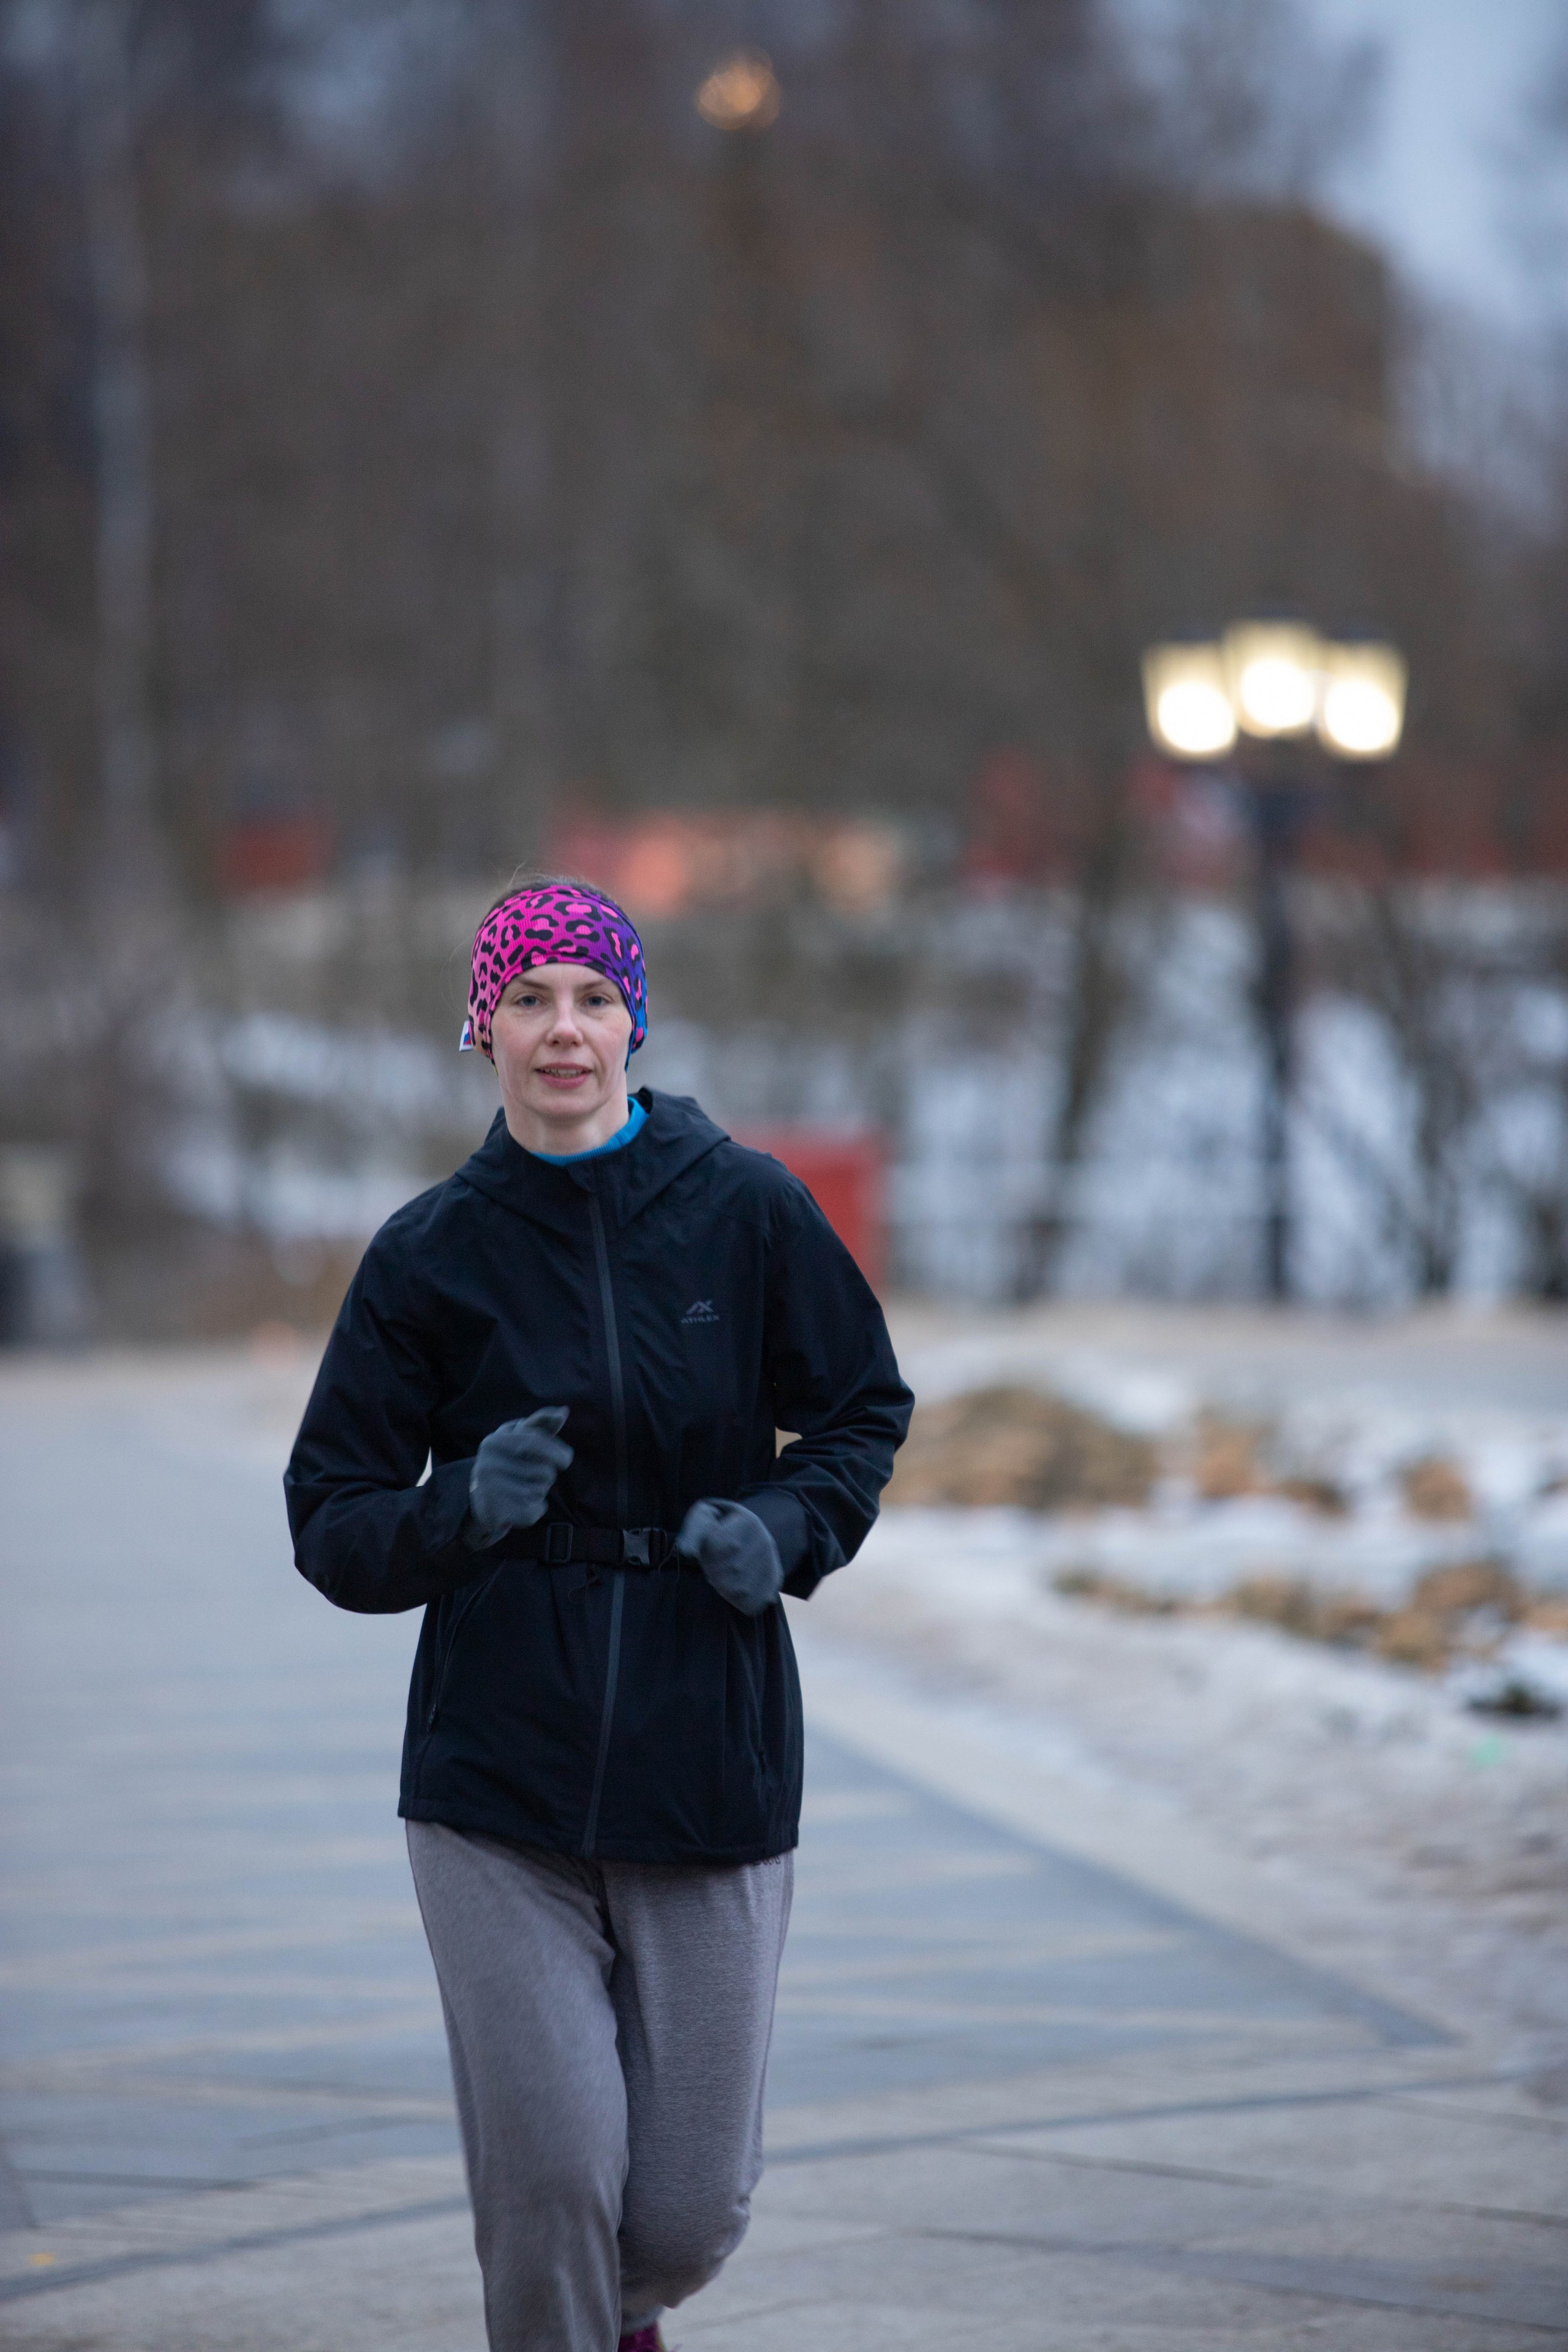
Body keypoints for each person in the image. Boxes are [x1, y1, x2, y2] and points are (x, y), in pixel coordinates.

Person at [284, 875, 912, 2352]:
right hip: (495, 1778)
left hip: (710, 1755)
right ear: (480, 1029)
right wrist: (457, 1512)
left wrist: (780, 1527)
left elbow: (858, 1416)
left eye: (590, 999)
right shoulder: (427, 1253)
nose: (560, 1030)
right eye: (525, 999)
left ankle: (617, 2321)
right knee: (553, 2178)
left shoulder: (749, 1209)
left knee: (686, 2213)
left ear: (634, 1023)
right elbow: (332, 1520)